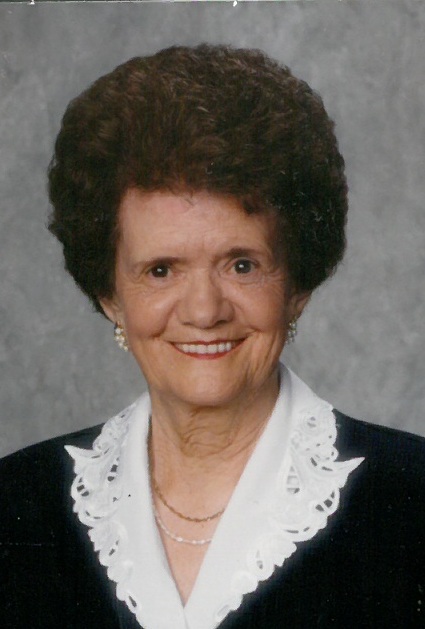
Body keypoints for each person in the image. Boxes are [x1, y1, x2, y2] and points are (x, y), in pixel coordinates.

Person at [1, 44, 424, 629]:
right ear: (110, 295)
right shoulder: (15, 503)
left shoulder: (412, 499)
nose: (204, 311)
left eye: (241, 265)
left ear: (296, 285)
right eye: (161, 270)